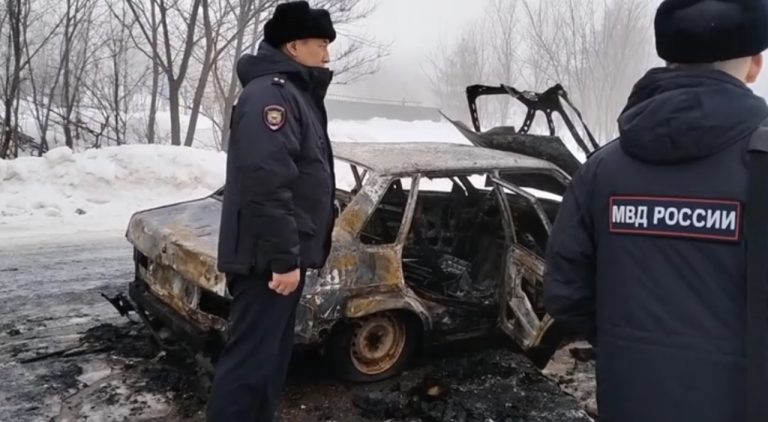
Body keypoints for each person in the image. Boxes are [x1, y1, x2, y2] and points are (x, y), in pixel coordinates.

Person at [543, 0, 768, 421]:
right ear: (755, 65)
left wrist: (628, 345)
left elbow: (565, 293)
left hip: (629, 399)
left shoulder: (602, 170)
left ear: (668, 58)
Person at [207, 2, 337, 421]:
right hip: (266, 263)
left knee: (268, 365)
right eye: (321, 44)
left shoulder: (293, 94)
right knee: (249, 368)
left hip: (277, 259)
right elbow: (266, 182)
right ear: (294, 46)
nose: (327, 55)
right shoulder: (272, 96)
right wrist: (283, 260)